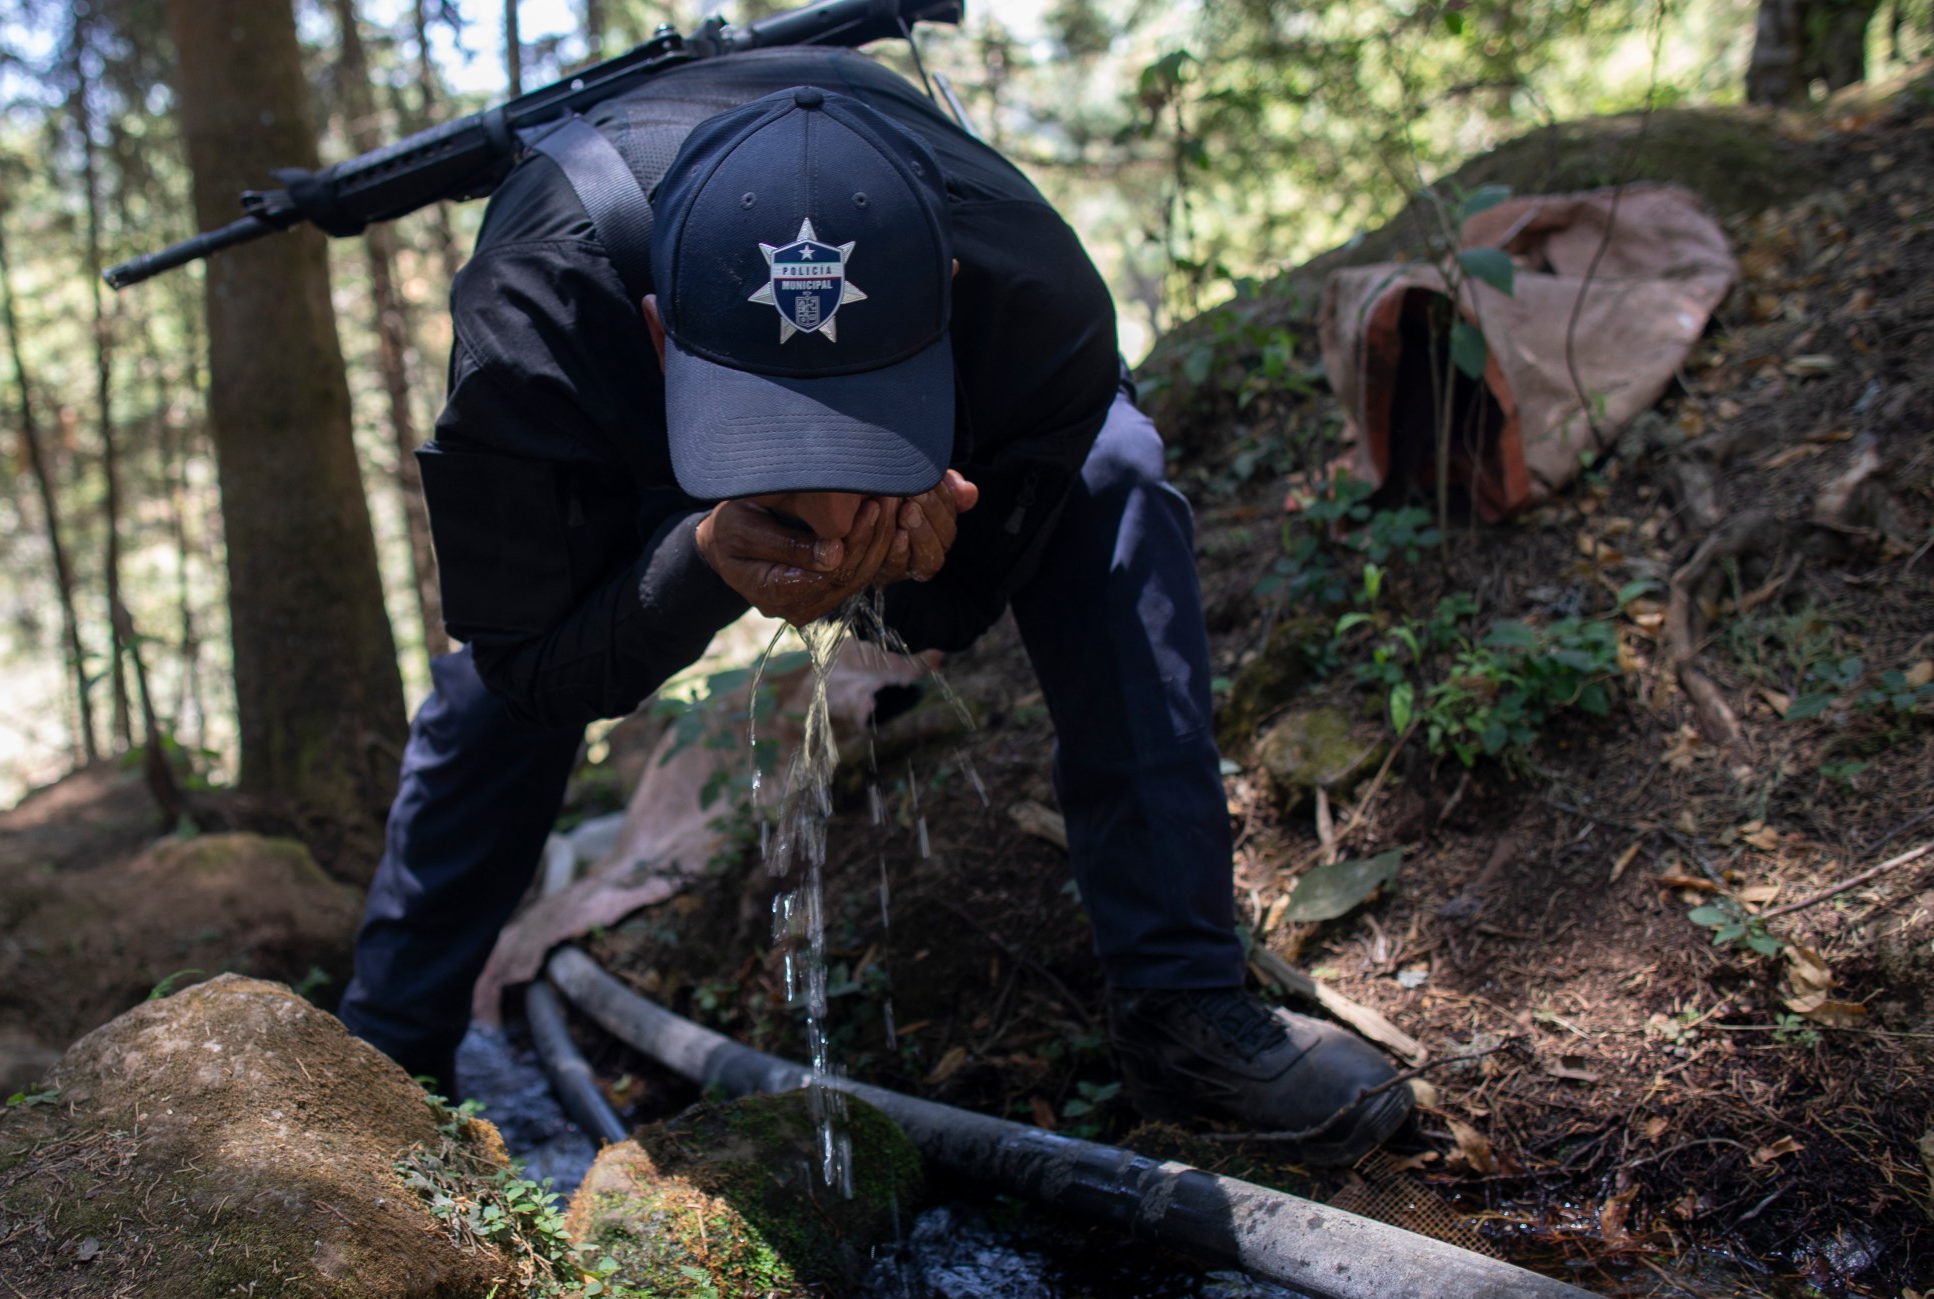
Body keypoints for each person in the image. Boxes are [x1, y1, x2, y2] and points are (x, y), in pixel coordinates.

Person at [337, 48, 1411, 1164]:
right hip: (611, 353)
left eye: (852, 427)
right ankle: (384, 1057)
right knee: (485, 697)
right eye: (774, 436)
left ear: (943, 310)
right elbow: (525, 664)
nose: (822, 492)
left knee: (1116, 480)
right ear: (664, 337)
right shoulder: (539, 316)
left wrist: (927, 562)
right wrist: (697, 564)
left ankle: (1183, 1002)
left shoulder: (1030, 293)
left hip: (960, 348)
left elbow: (948, 623)